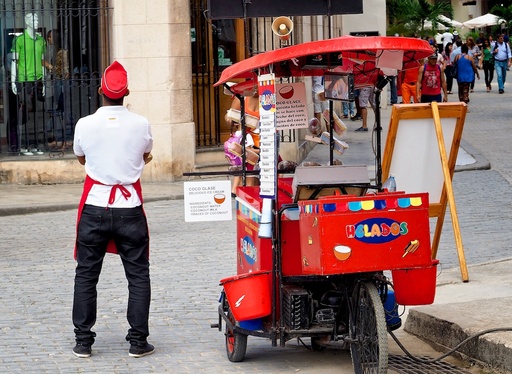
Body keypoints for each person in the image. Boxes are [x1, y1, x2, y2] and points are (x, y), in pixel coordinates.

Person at [72, 61, 154, 359]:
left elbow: (81, 158)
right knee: (138, 275)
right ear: (126, 93)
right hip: (129, 207)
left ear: (100, 92)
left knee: (86, 274)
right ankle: (137, 341)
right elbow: (146, 154)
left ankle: (83, 341)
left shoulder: (84, 124)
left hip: (95, 205)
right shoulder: (141, 123)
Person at [226, 91, 260, 195]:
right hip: (246, 142)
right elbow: (229, 117)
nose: (254, 89)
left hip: (262, 142)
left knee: (257, 177)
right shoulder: (242, 99)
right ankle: (246, 197)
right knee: (249, 175)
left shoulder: (267, 99)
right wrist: (230, 119)